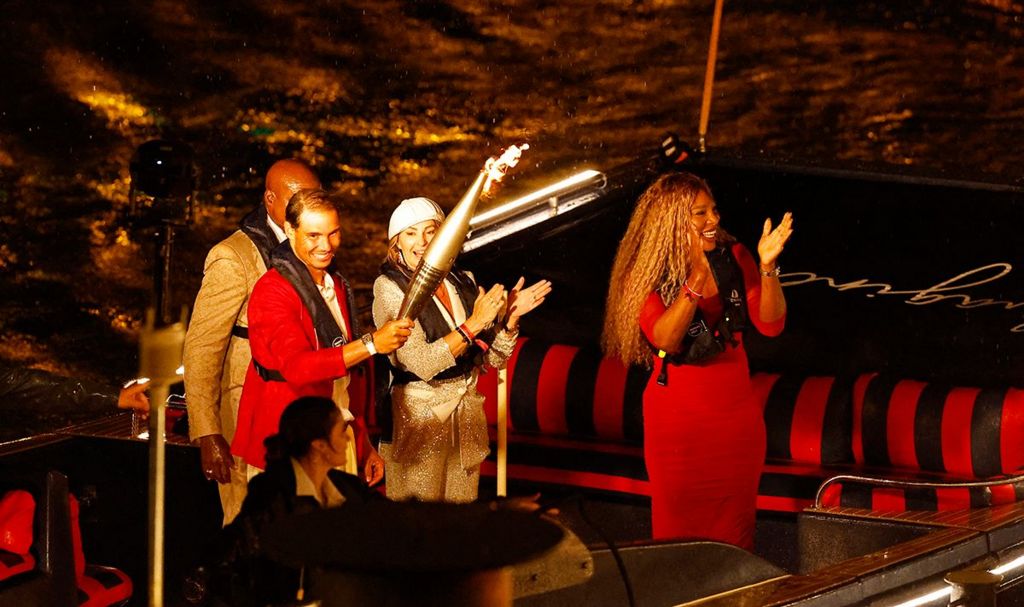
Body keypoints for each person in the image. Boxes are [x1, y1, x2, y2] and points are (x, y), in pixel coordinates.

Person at [602, 172, 792, 549]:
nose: (714, 220)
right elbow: (666, 339)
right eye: (700, 213)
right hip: (678, 429)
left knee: (736, 539)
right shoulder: (643, 273)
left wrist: (767, 267)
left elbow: (771, 325)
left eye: (714, 210)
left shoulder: (734, 255)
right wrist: (698, 276)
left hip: (735, 422)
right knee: (678, 543)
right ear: (673, 220)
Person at [372, 197, 552, 503]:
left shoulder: (463, 281)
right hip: (420, 423)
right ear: (396, 243)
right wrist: (473, 323)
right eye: (411, 233)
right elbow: (420, 363)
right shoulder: (389, 289)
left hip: (466, 420)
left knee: (461, 526)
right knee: (418, 528)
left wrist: (508, 321)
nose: (422, 242)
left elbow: (492, 358)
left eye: (430, 231)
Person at [232, 188, 413, 477]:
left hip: (336, 436)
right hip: (291, 446)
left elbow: (344, 377)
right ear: (290, 230)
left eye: (333, 233)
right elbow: (297, 368)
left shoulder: (335, 284)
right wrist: (372, 344)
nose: (326, 245)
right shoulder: (272, 291)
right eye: (313, 236)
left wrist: (363, 441)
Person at [183, 159, 324, 525]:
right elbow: (202, 347)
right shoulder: (234, 257)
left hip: (298, 408)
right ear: (270, 199)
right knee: (247, 521)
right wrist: (207, 431)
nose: (305, 207)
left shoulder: (314, 246)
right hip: (246, 413)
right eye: (296, 198)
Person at [210, 396, 380, 606]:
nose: (347, 439)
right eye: (340, 433)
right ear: (319, 446)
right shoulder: (273, 497)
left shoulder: (349, 488)